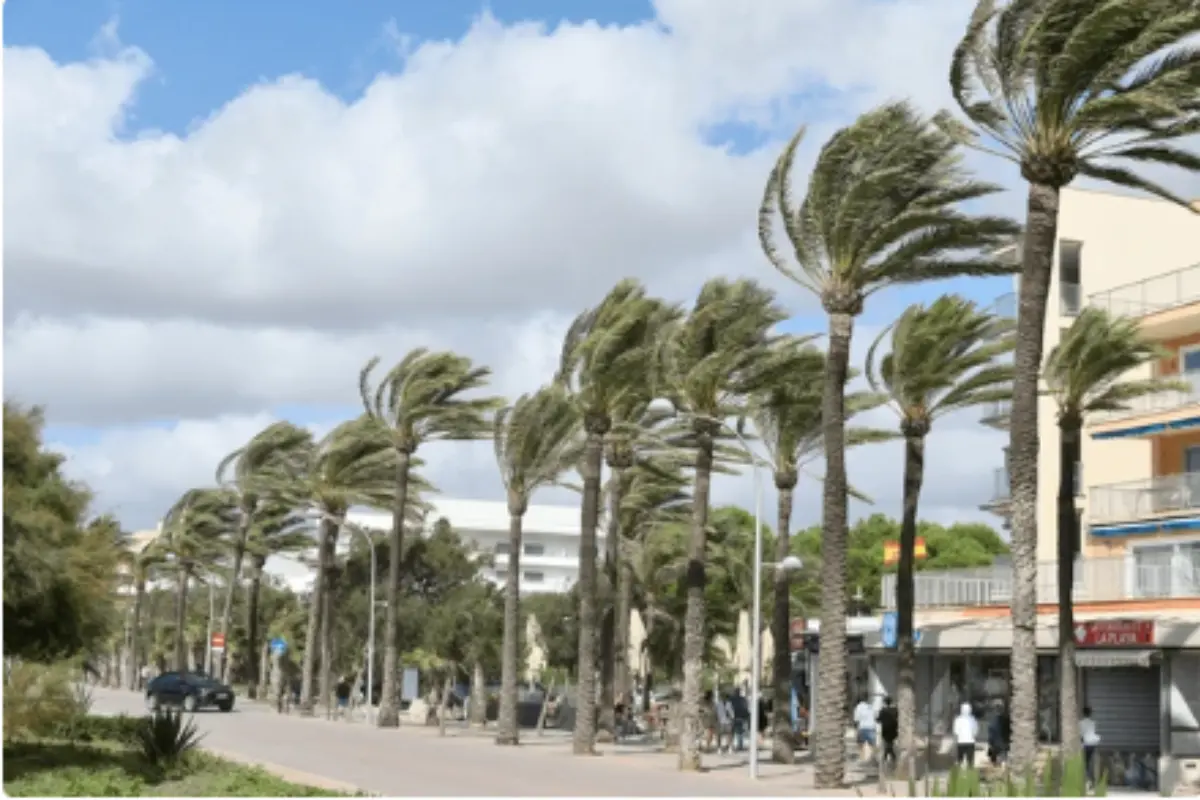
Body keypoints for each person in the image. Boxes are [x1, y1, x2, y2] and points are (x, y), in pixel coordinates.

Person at [953, 702, 978, 768]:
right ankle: (969, 772)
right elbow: (975, 731)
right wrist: (972, 735)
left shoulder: (958, 719)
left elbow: (956, 731)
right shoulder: (973, 719)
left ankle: (959, 773)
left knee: (960, 760)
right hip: (970, 742)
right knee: (970, 760)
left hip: (960, 741)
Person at [1080, 706, 1101, 784]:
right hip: (1094, 743)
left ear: (1083, 713)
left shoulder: (1081, 723)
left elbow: (1081, 734)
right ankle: (1094, 780)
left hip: (1086, 743)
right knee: (1092, 762)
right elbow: (1094, 732)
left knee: (1085, 763)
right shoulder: (1093, 723)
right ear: (1090, 714)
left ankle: (1088, 780)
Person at [877, 696, 899, 770]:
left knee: (888, 745)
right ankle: (890, 759)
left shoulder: (883, 710)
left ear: (884, 702)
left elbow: (878, 720)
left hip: (886, 730)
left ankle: (887, 759)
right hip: (893, 730)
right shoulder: (895, 710)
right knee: (890, 744)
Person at [853, 696, 876, 760]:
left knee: (861, 744)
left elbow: (856, 719)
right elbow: (875, 716)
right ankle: (870, 758)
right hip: (871, 727)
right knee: (871, 744)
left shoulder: (858, 707)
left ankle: (862, 757)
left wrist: (855, 729)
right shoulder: (871, 707)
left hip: (862, 727)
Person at [730, 687, 750, 752]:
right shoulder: (743, 699)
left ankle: (732, 745)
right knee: (740, 732)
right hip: (742, 717)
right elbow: (746, 707)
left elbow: (729, 708)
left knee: (733, 732)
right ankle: (740, 745)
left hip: (734, 717)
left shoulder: (731, 699)